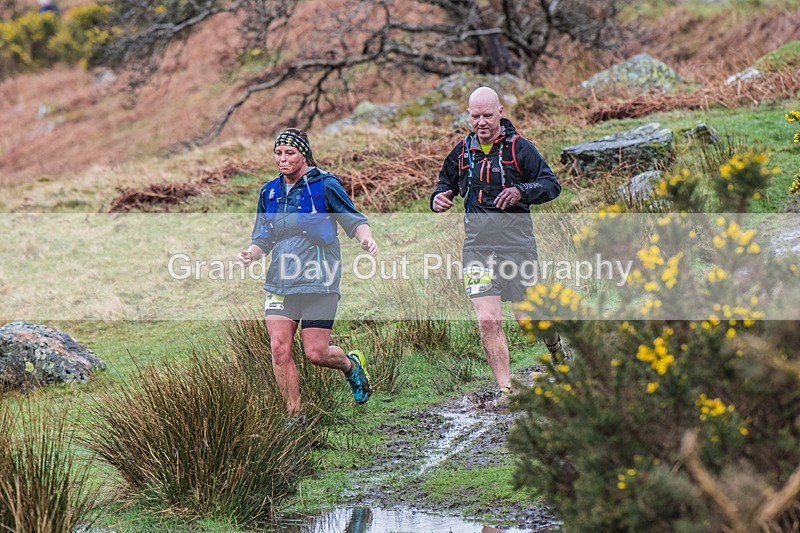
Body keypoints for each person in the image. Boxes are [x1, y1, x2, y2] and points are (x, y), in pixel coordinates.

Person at [431, 87, 570, 395]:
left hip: (517, 246)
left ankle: (556, 344)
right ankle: (506, 390)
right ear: (468, 115)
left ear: (501, 112)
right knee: (488, 321)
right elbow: (445, 182)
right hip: (477, 249)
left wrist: (521, 191)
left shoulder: (520, 148)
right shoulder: (462, 151)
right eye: (476, 116)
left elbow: (551, 185)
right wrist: (438, 198)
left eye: (488, 115)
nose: (482, 122)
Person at [237, 128, 378, 415]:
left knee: (316, 354)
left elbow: (353, 220)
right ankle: (295, 416)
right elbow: (263, 237)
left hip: (319, 279)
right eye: (278, 153)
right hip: (280, 282)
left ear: (304, 155)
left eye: (289, 153)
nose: (282, 159)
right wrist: (250, 254)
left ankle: (351, 365)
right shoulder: (270, 191)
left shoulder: (325, 185)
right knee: (279, 350)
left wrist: (365, 237)